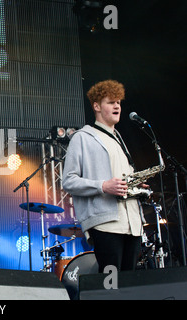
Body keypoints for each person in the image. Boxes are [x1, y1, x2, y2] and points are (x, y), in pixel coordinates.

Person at [62, 79, 145, 273]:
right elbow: (69, 180)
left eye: (119, 102)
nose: (117, 106)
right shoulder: (82, 137)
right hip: (106, 222)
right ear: (97, 106)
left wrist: (136, 187)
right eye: (111, 102)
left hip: (132, 223)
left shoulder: (118, 138)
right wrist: (103, 186)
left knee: (129, 285)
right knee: (110, 284)